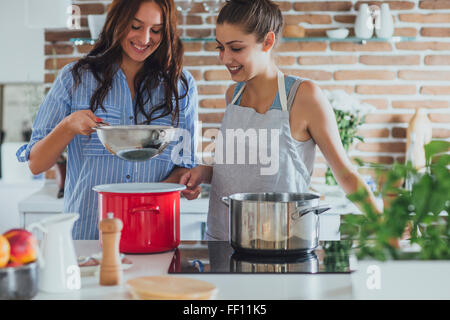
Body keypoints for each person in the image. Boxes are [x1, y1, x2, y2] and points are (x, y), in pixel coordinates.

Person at [180, 0, 381, 241]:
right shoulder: (233, 95)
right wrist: (204, 172)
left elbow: (345, 174)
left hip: (281, 242)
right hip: (224, 237)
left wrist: (383, 222)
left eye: (235, 48)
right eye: (220, 47)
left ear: (268, 41)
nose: (224, 58)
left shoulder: (304, 96)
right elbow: (240, 168)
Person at [16, 0, 200, 240]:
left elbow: (184, 164)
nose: (145, 39)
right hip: (88, 233)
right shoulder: (75, 78)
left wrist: (159, 192)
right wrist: (68, 126)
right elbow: (36, 163)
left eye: (156, 30)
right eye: (135, 26)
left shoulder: (180, 86)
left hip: (152, 230)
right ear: (118, 23)